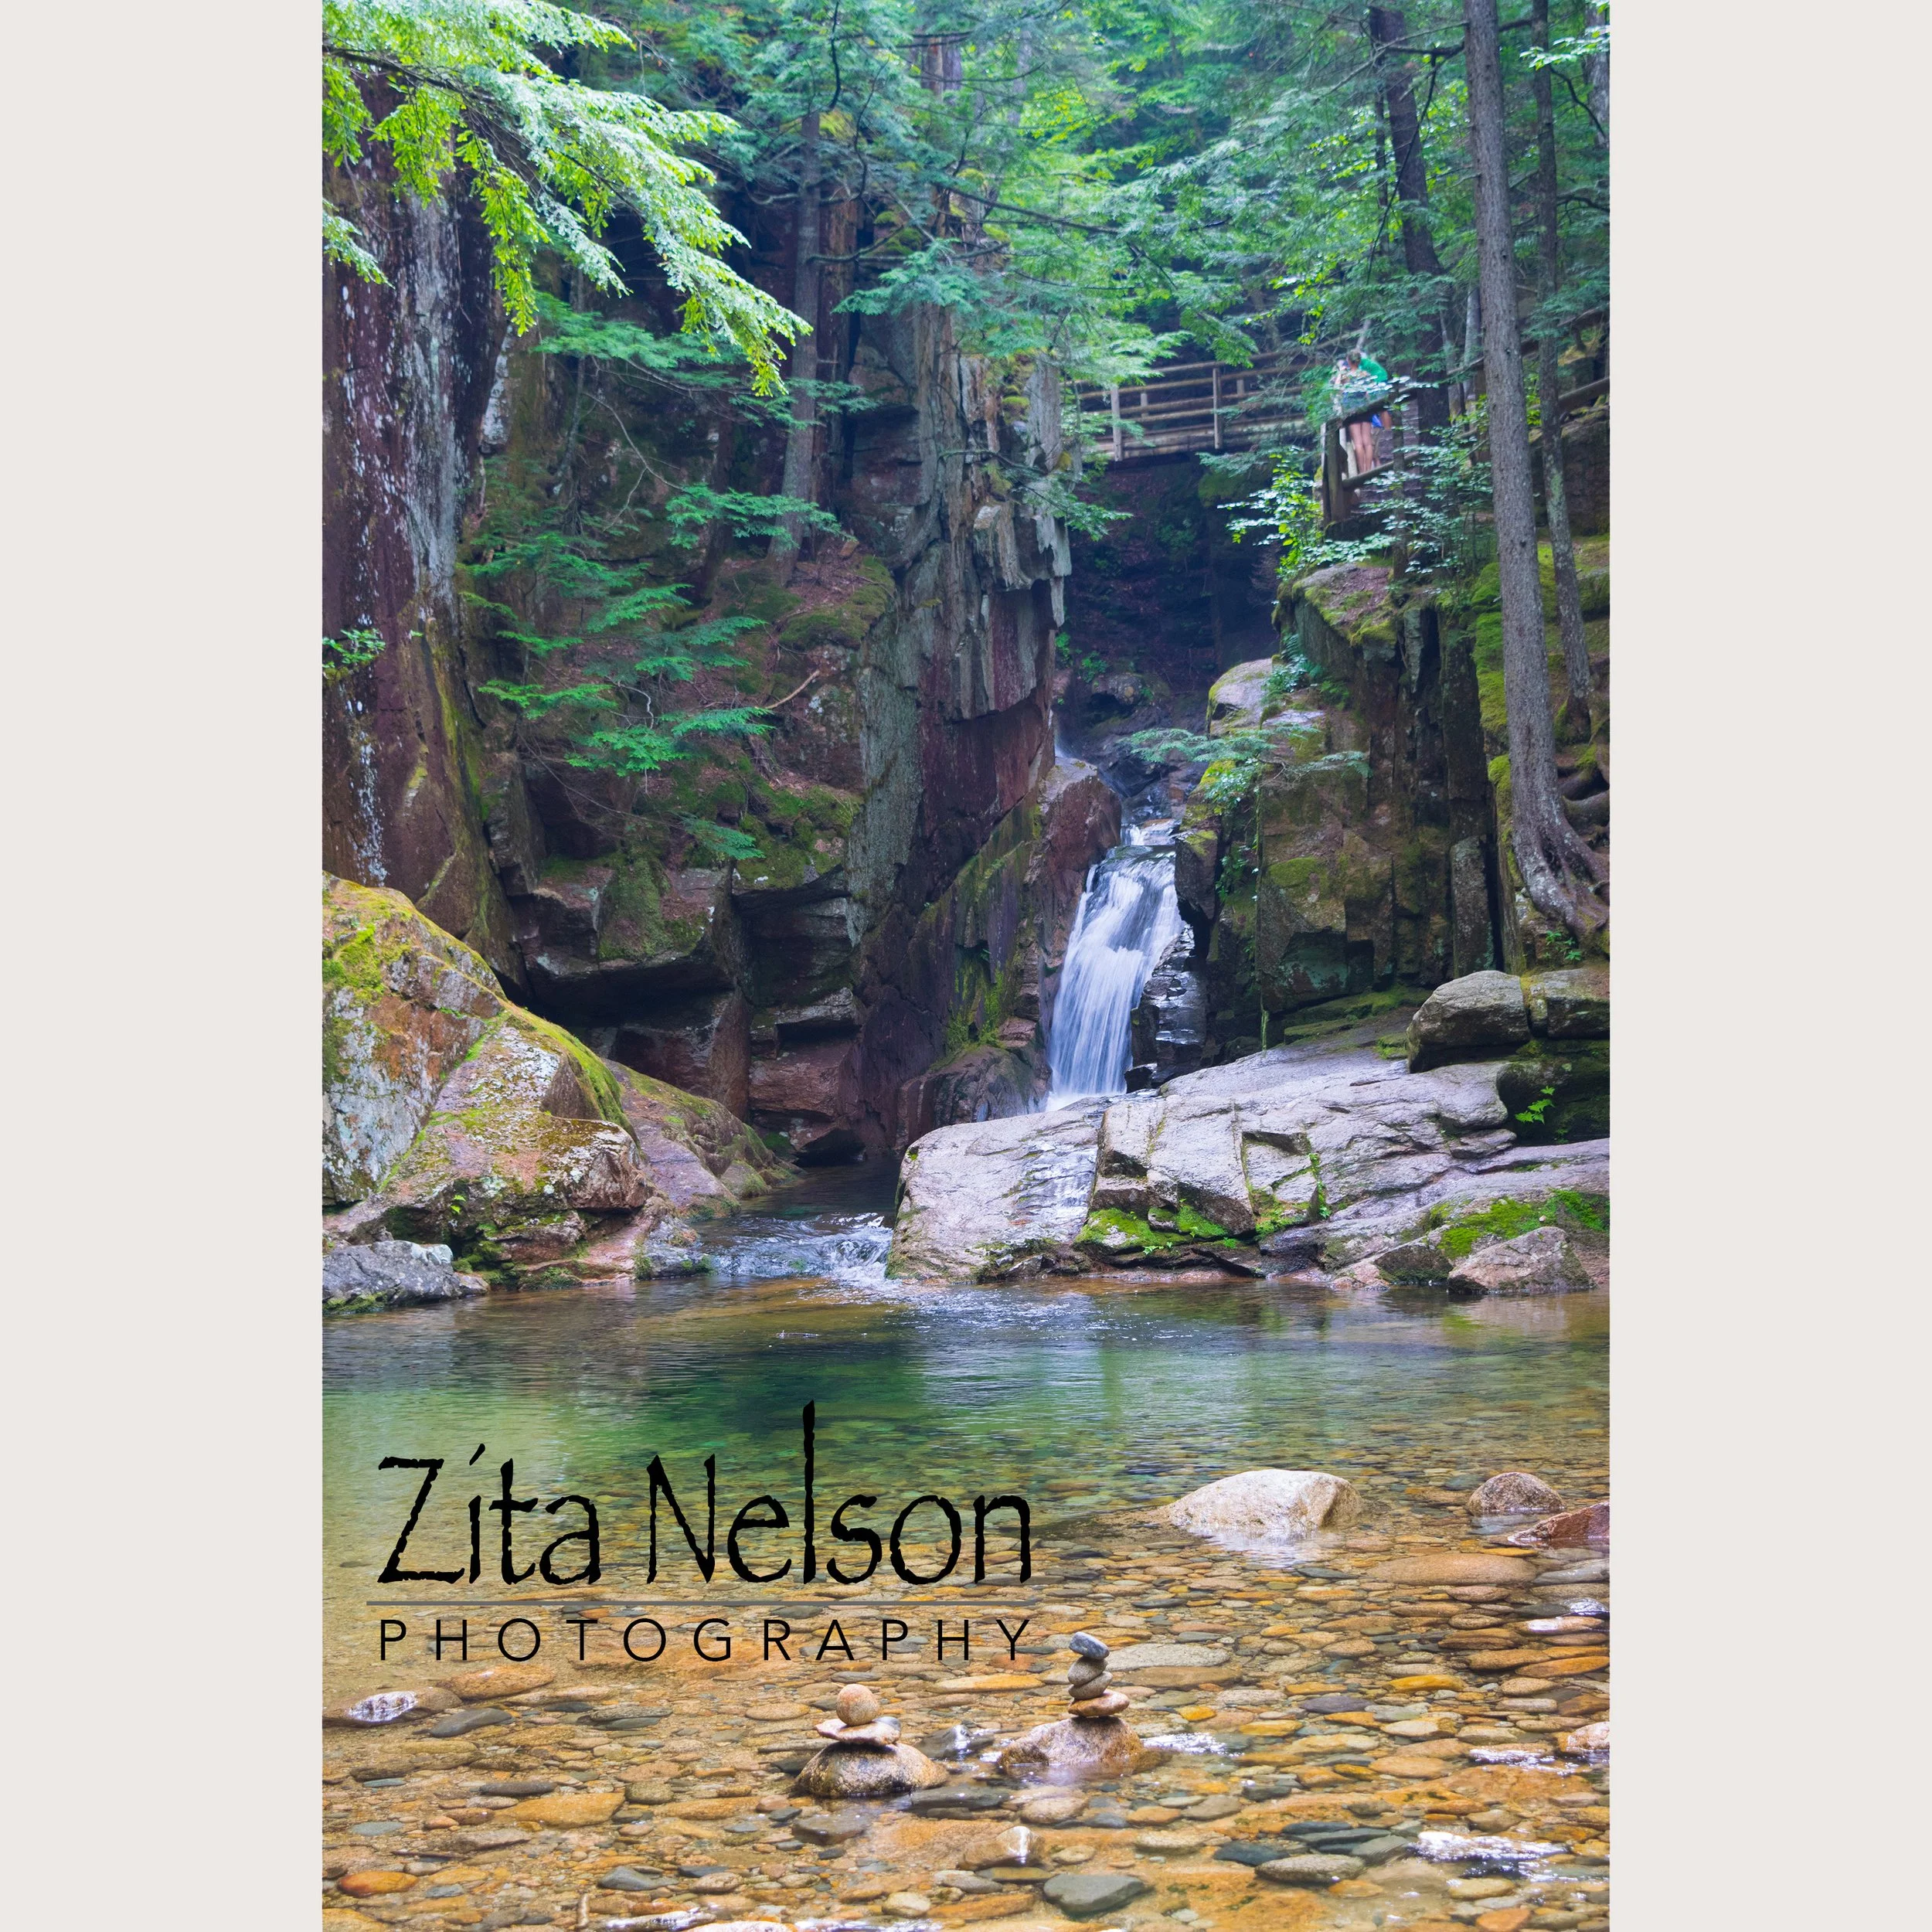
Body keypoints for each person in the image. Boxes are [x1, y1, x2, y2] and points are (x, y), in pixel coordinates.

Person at [1333, 347, 1391, 474]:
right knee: (1368, 442)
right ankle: (1369, 470)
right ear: (1359, 361)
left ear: (1348, 361)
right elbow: (1368, 392)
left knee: (1358, 443)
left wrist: (1340, 373)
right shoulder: (1365, 374)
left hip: (1352, 409)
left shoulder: (1345, 374)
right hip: (1365, 408)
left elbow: (1337, 388)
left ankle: (1363, 472)